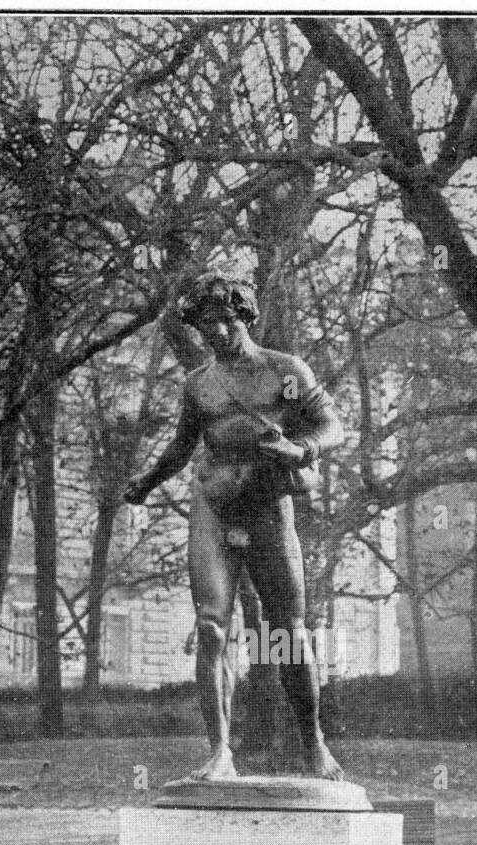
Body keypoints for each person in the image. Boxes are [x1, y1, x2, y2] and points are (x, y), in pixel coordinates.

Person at [124, 272, 345, 781]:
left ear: (244, 317)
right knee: (210, 627)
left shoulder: (284, 371)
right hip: (215, 505)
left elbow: (333, 424)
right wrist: (148, 481)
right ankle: (220, 751)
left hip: (268, 504)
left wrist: (301, 448)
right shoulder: (199, 384)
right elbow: (183, 445)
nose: (218, 332)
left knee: (286, 632)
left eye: (226, 320)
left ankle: (313, 742)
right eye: (207, 325)